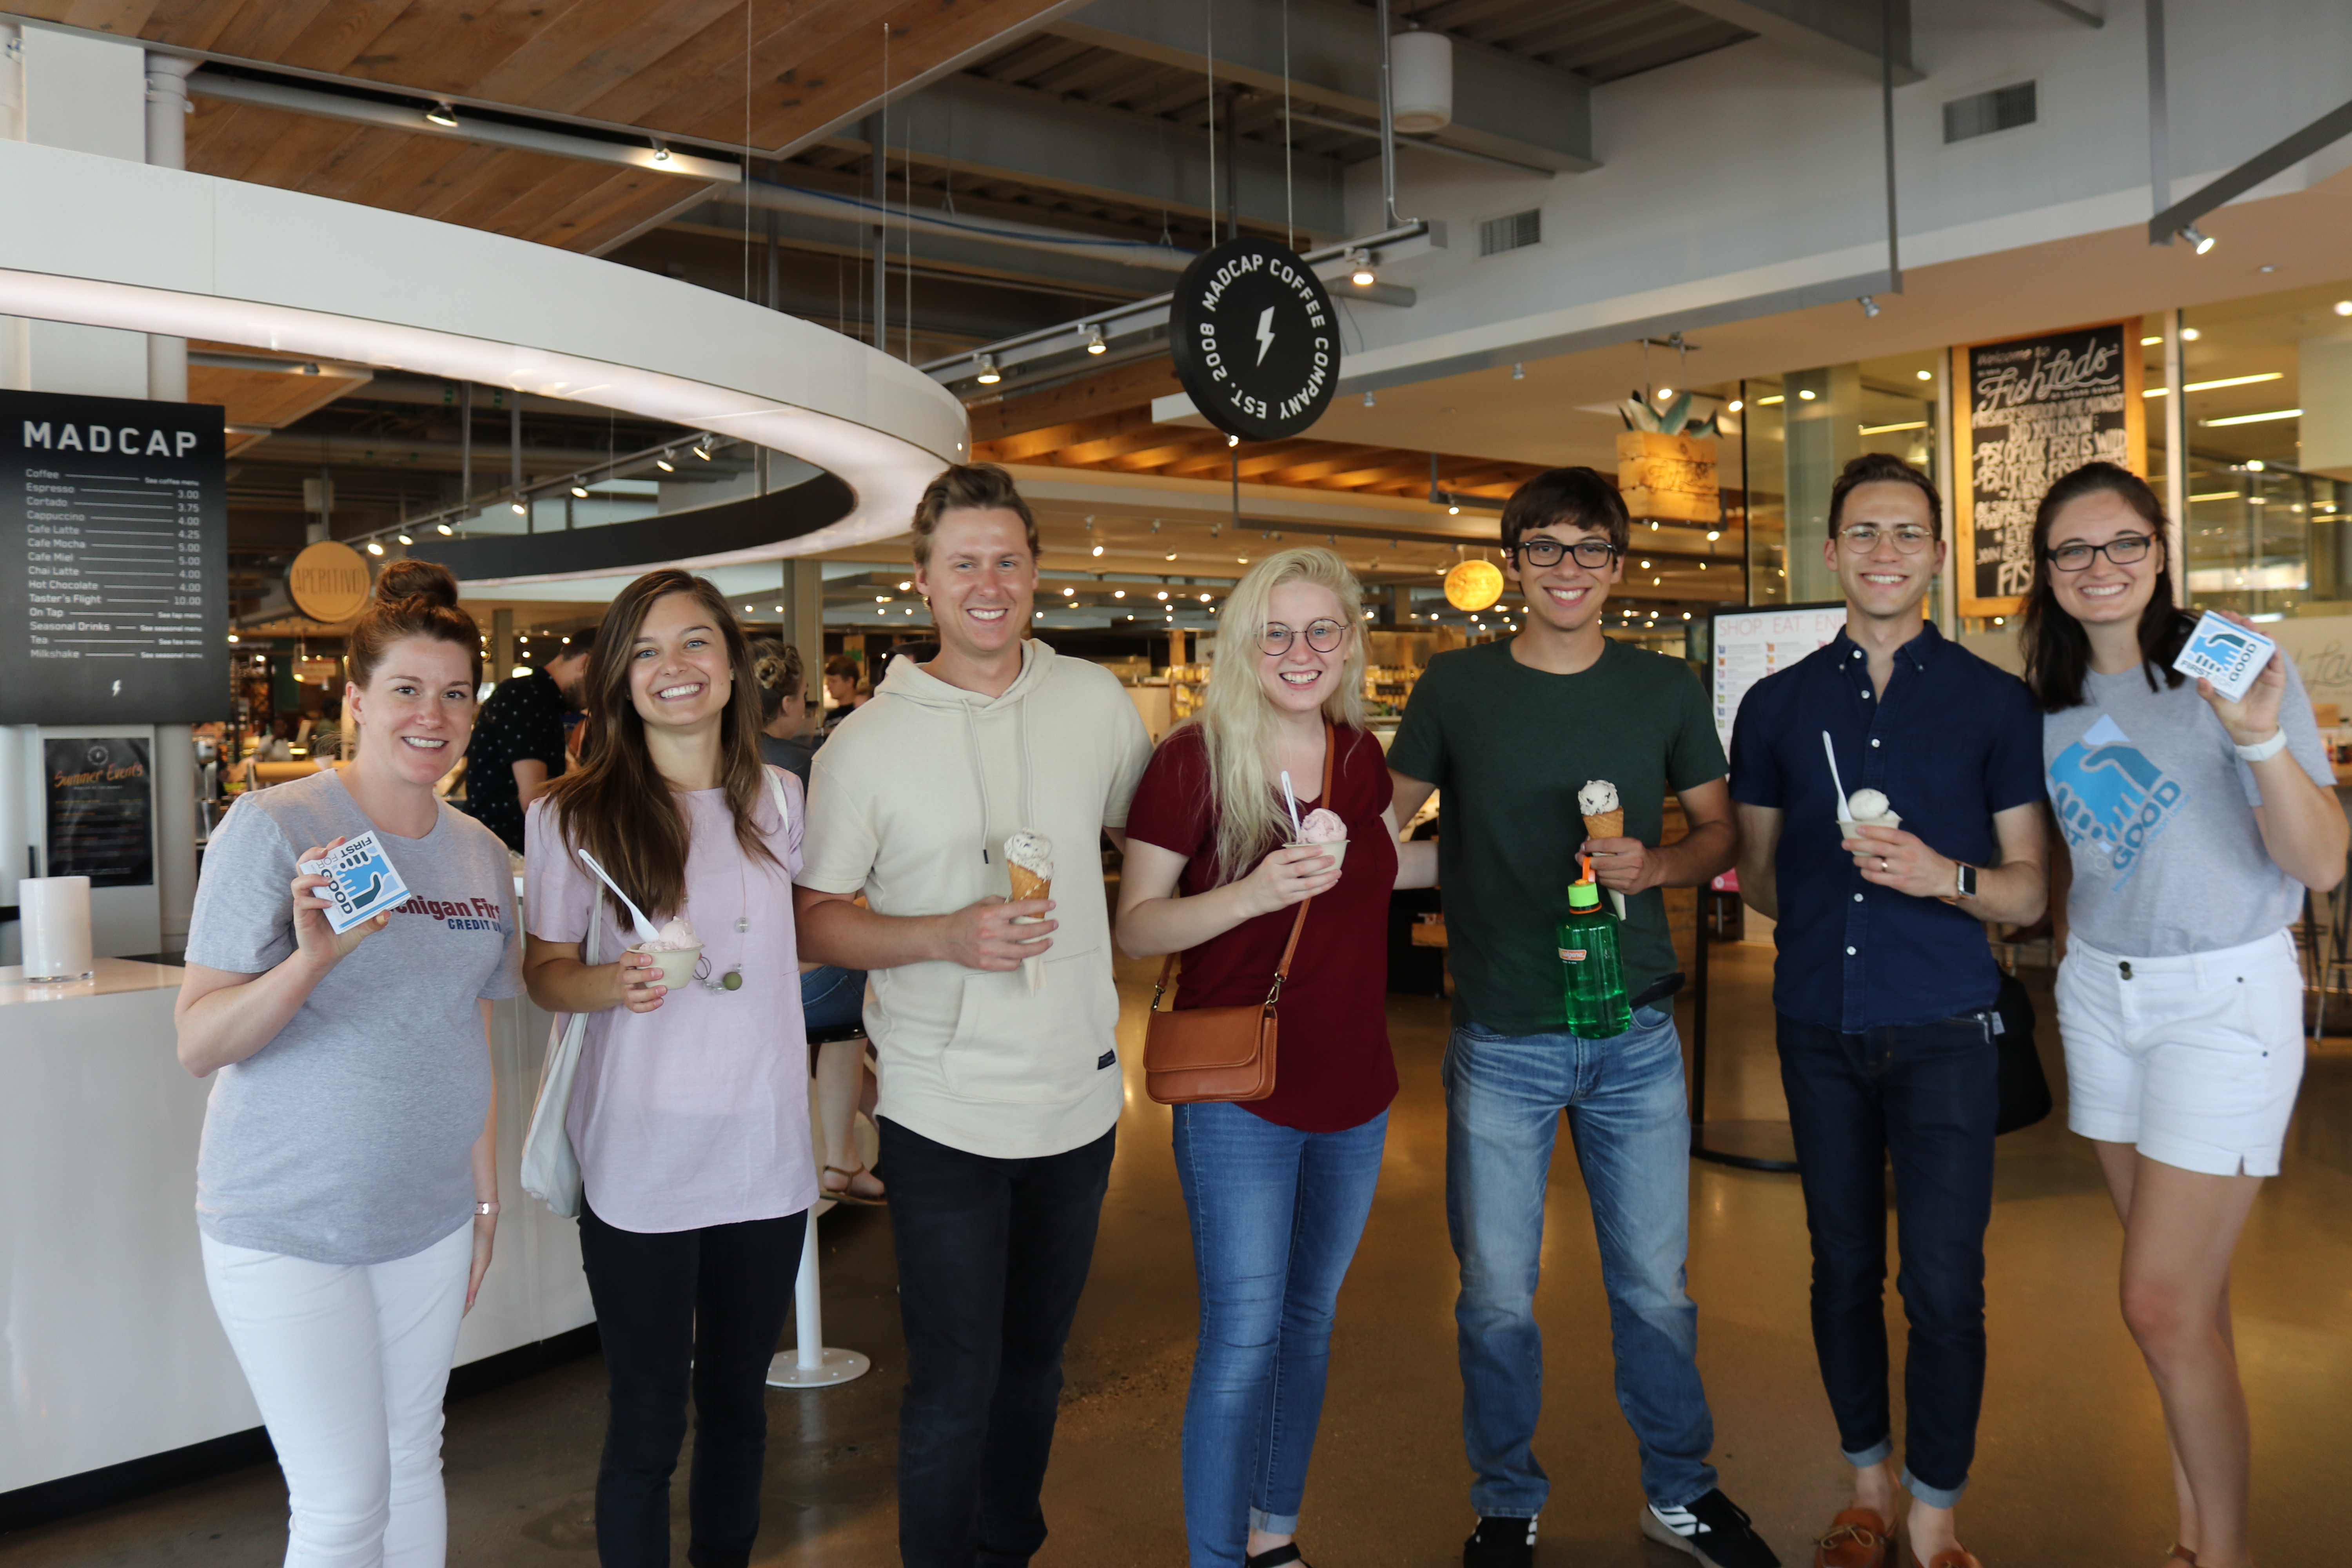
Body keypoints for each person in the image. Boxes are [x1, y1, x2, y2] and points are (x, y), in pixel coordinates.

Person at [1387, 467, 1777, 1568]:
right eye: (1547, 548)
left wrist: (1654, 863)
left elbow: (1719, 835)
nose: (1568, 569)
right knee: (1497, 1296)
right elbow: (1378, 822)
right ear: (1513, 562)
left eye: (1589, 550)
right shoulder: (1455, 690)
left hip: (1635, 1034)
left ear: (1618, 565)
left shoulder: (1661, 690)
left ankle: (1682, 1491)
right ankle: (1507, 1500)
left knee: (1655, 1287)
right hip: (1502, 1034)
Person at [795, 463, 1151, 1568]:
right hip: (945, 1111)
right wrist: (941, 935)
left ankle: (1011, 1548)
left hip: (1082, 1095)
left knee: (1038, 1363)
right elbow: (814, 922)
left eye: (1007, 561)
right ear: (924, 583)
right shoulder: (864, 744)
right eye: (964, 564)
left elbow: (1160, 845)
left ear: (1036, 573)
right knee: (954, 1381)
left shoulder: (1096, 703)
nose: (988, 584)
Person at [2022, 461, 2345, 1568]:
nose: (2101, 568)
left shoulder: (2224, 656)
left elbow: (2322, 860)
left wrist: (2256, 733)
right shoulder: (2051, 697)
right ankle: (2194, 1540)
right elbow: (2078, 860)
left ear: (2161, 551)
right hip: (2103, 1001)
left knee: (2156, 1303)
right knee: (2186, 1310)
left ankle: (2226, 1557)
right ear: (2048, 573)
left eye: (2124, 545)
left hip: (2224, 999)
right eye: (2074, 551)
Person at [1730, 453, 2049, 1568]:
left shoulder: (1994, 703)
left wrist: (1939, 878)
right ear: (1830, 552)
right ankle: (1868, 1483)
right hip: (1820, 1021)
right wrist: (1830, 881)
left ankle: (1936, 1512)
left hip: (1948, 1027)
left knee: (1946, 1285)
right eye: (1863, 531)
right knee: (1842, 1267)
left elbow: (2027, 887)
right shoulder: (1777, 706)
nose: (1884, 552)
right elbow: (1761, 880)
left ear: (1939, 555)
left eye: (1907, 533)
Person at [175, 559, 520, 1568]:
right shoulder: (278, 828)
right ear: (359, 700)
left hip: (428, 1220)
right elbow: (200, 1040)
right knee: (341, 1500)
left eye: (455, 693)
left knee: (415, 1458)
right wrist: (313, 959)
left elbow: (469, 1024)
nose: (434, 714)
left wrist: (482, 1202)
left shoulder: (477, 853)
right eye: (408, 689)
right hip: (289, 1220)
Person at [1114, 547, 1438, 1568]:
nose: (1301, 653)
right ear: (1243, 645)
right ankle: (1218, 1559)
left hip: (1358, 1081)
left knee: (1309, 1326)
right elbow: (1139, 927)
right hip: (1239, 1090)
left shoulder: (1360, 756)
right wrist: (1257, 891)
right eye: (1277, 632)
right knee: (1244, 1339)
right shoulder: (1192, 759)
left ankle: (1273, 1536)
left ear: (1350, 642)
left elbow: (1375, 878)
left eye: (1321, 632)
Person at [521, 571, 816, 1568]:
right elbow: (545, 973)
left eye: (694, 643)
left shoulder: (782, 799)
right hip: (640, 1158)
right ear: (617, 680)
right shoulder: (574, 816)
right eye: (644, 651)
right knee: (646, 1423)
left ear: (732, 666)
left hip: (764, 1151)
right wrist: (616, 985)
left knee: (738, 1407)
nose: (673, 668)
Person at [751, 636, 883, 1204]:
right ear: (788, 704)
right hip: (801, 979)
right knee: (853, 980)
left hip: (733, 973)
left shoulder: (714, 762)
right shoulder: (808, 769)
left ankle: (841, 1157)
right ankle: (845, 1156)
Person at [463, 633, 593, 852]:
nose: (597, 696)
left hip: (501, 850)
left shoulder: (537, 699)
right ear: (586, 663)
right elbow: (534, 800)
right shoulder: (527, 697)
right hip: (504, 854)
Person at [820, 653, 867, 737]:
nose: (829, 685)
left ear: (850, 682)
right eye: (828, 681)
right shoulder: (830, 718)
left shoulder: (863, 712)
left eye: (834, 681)